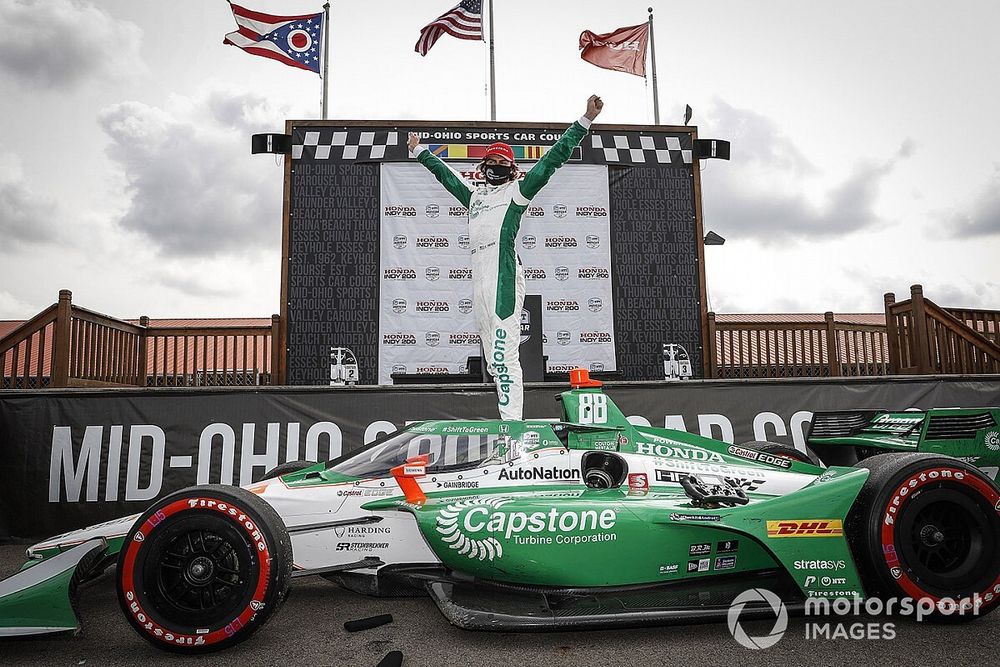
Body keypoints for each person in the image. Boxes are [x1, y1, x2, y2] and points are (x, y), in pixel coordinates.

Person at [407, 94, 604, 420]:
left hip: (504, 275)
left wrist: (584, 121)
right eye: (491, 165)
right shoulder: (474, 197)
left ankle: (513, 425)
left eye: (502, 165)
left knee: (504, 353)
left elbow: (551, 161)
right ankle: (508, 419)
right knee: (492, 360)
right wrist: (418, 151)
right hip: (479, 276)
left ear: (511, 170)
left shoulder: (518, 192)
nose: (496, 170)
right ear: (483, 169)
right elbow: (445, 175)